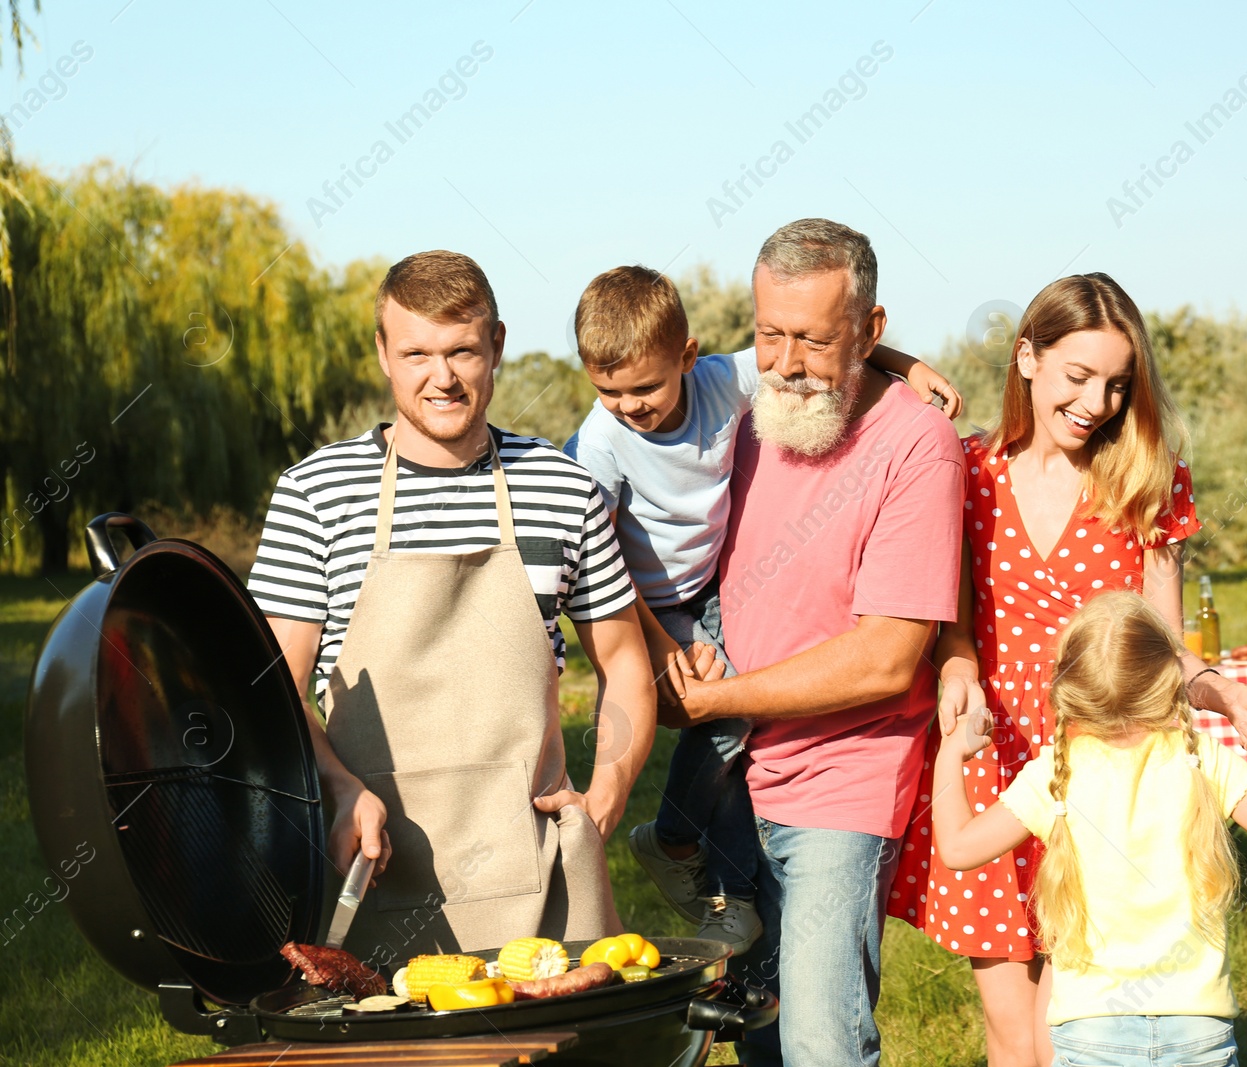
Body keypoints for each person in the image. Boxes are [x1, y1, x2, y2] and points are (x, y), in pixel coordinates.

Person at [889, 273, 1247, 1066]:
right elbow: (958, 630)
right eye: (1078, 376)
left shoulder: (1147, 478)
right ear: (1027, 358)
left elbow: (1165, 646)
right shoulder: (968, 471)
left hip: (1105, 765)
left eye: (1116, 383)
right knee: (1014, 1032)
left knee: (1072, 1026)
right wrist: (956, 674)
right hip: (997, 762)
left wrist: (1221, 693)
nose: (1096, 401)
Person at [246, 250, 656, 966]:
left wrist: (607, 792)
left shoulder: (564, 489)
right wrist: (341, 789)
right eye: (416, 353)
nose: (442, 377)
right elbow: (268, 686)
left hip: (541, 886)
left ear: (496, 345)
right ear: (382, 353)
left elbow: (625, 664)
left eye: (463, 350)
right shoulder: (317, 493)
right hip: (368, 870)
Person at [561, 265, 960, 956]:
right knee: (724, 711)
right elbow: (595, 562)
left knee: (736, 724)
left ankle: (718, 876)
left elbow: (812, 352)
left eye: (646, 387)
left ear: (688, 357)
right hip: (646, 601)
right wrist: (657, 645)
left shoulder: (723, 380)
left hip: (706, 586)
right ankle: (680, 842)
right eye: (609, 391)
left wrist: (908, 365)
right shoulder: (599, 446)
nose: (630, 406)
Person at [660, 218, 965, 1067]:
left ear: (870, 329)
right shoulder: (745, 411)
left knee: (820, 1041)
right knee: (756, 1038)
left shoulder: (917, 446)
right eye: (768, 334)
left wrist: (711, 700)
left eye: (814, 339)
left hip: (843, 781)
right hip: (732, 779)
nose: (787, 361)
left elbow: (887, 657)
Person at [930, 591, 1247, 1067]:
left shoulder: (1053, 774)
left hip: (1091, 1029)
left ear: (1066, 687)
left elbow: (956, 847)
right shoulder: (1200, 758)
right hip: (1197, 1028)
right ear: (1169, 680)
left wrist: (951, 753)